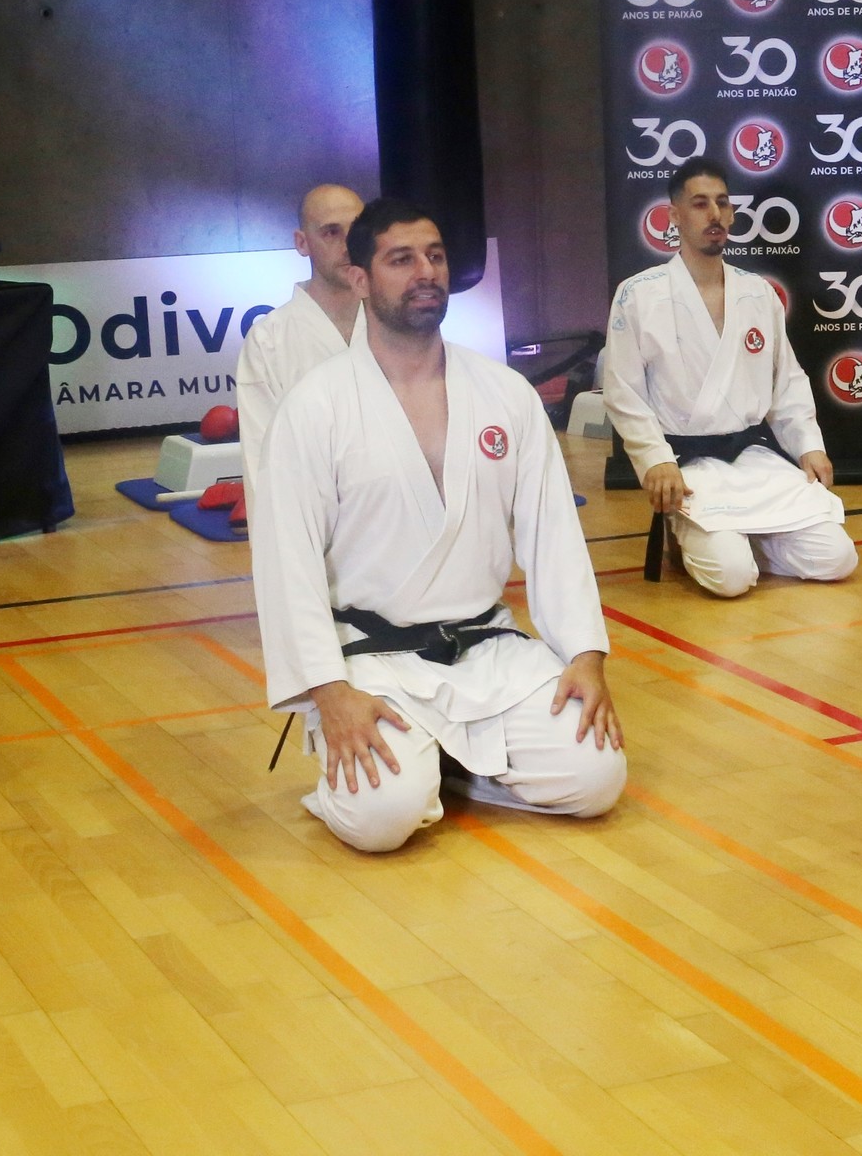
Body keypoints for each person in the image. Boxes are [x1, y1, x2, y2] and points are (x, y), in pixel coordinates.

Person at [252, 198, 625, 852]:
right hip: (370, 661)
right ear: (360, 278)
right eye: (401, 259)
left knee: (596, 779)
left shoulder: (504, 394)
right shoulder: (315, 407)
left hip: (487, 650)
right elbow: (289, 565)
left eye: (435, 256)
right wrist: (330, 695)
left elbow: (553, 538)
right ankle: (413, 769)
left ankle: (452, 767)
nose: (425, 271)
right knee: (382, 819)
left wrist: (584, 656)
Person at [601, 157, 854, 598]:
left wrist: (808, 444)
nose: (714, 214)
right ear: (674, 216)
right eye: (700, 204)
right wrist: (655, 460)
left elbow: (787, 381)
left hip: (752, 460)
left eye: (722, 203)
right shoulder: (639, 294)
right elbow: (624, 393)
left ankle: (749, 539)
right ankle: (692, 531)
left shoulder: (757, 293)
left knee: (837, 559)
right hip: (687, 465)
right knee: (731, 578)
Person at [232, 182, 367, 528]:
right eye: (331, 232)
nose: (348, 245)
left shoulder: (399, 326)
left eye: (356, 230)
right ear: (302, 243)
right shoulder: (269, 341)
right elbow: (263, 461)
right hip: (314, 523)